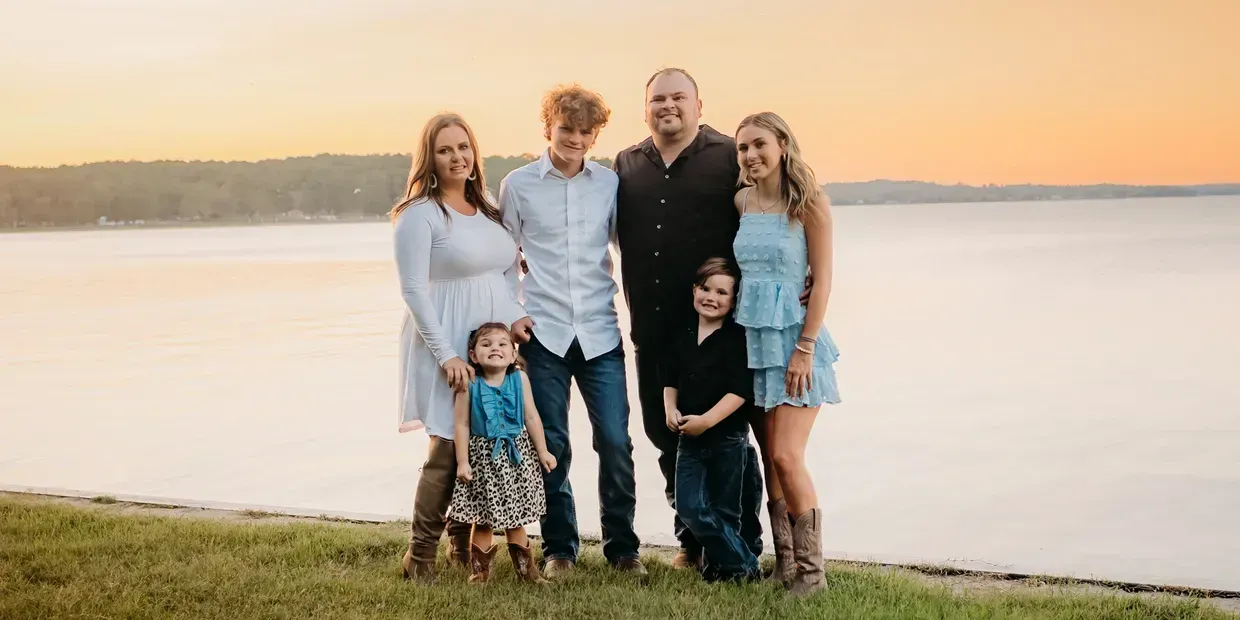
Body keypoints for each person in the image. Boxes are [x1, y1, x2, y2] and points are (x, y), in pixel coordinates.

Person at [613, 67, 776, 573]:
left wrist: (803, 272)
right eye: (658, 99)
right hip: (655, 327)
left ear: (699, 106)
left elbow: (772, 210)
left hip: (719, 331)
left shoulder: (730, 155)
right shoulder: (626, 163)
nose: (668, 106)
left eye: (679, 97)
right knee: (667, 434)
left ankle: (743, 539)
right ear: (646, 108)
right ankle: (692, 540)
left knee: (730, 442)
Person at [499, 84, 646, 577]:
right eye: (567, 129)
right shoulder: (518, 184)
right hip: (543, 334)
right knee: (552, 445)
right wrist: (509, 315)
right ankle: (560, 549)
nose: (576, 139)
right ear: (548, 127)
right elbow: (504, 260)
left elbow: (631, 251)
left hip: (601, 332)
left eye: (587, 132)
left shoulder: (609, 184)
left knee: (615, 441)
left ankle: (623, 548)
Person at [391, 113, 529, 584]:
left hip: (491, 342)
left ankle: (462, 542)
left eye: (464, 147)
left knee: (488, 444)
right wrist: (447, 353)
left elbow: (507, 273)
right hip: (445, 335)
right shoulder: (420, 214)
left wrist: (514, 319)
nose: (457, 157)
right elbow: (413, 290)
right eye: (446, 149)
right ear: (429, 157)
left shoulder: (487, 206)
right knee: (448, 446)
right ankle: (420, 556)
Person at [732, 111, 841, 597]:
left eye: (759, 144)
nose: (751, 155)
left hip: (797, 342)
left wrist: (805, 348)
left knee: (786, 455)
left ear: (782, 144)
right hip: (756, 342)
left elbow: (823, 282)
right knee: (771, 459)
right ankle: (786, 563)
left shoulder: (810, 203)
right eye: (742, 149)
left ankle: (813, 575)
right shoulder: (742, 202)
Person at [662, 258, 762, 584]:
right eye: (705, 288)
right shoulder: (682, 333)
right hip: (688, 439)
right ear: (694, 290)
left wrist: (707, 420)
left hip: (727, 438)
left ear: (733, 301)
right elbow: (669, 379)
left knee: (726, 511)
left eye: (722, 292)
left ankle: (721, 570)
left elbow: (741, 391)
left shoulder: (737, 338)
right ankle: (746, 564)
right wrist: (670, 409)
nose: (711, 297)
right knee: (690, 507)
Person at [448, 323, 557, 585]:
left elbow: (531, 416)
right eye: (486, 345)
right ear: (473, 356)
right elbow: (461, 423)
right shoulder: (469, 383)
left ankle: (528, 574)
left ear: (512, 354)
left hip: (516, 459)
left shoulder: (519, 379)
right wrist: (463, 461)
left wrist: (543, 451)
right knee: (483, 520)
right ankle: (480, 575)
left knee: (516, 519)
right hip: (483, 461)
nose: (494, 348)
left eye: (502, 344)